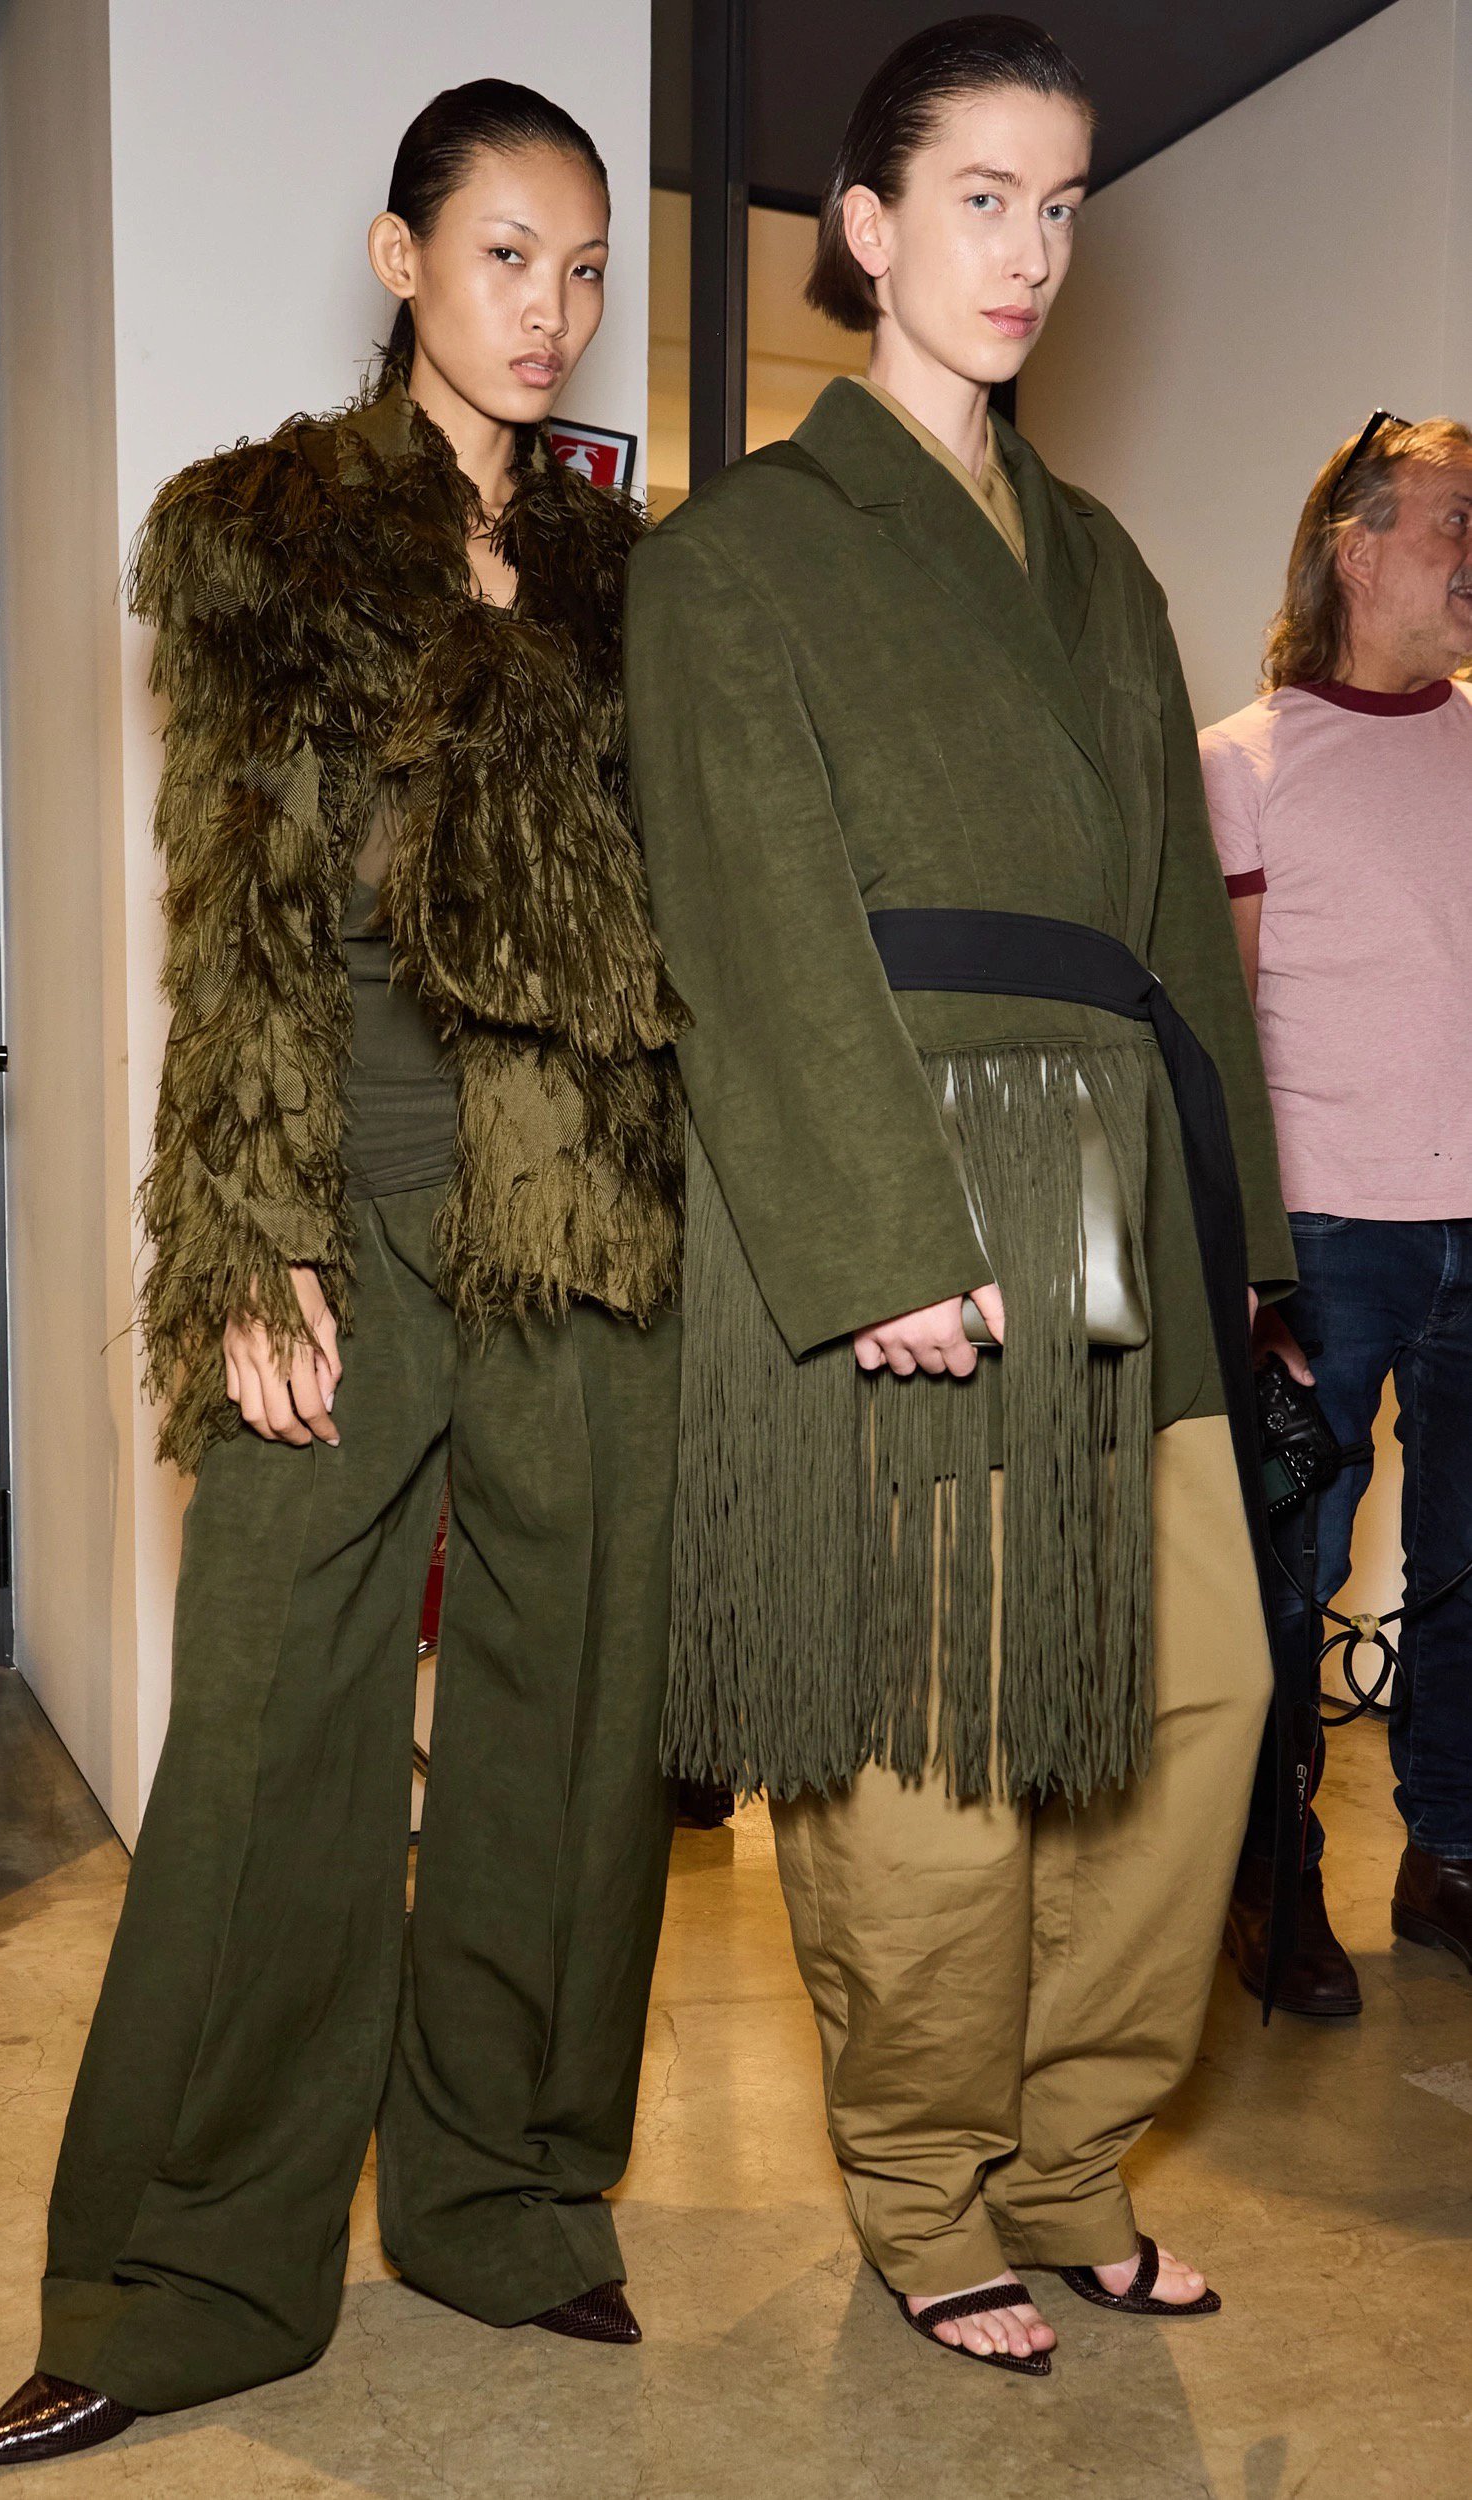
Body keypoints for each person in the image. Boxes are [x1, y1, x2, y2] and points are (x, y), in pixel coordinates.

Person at [0, 81, 685, 2471]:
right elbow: (235, 913)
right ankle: (178, 2271)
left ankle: (507, 2194)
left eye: (586, 266)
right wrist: (246, 1233)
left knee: (566, 1722)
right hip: (349, 1193)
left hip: (588, 1208)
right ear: (401, 259)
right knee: (275, 1716)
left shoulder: (629, 577)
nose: (552, 308)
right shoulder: (260, 533)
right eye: (506, 254)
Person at [625, 16, 1294, 2377]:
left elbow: (1178, 926)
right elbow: (746, 917)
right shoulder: (732, 557)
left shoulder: (1097, 562)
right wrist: (877, 1240)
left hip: (1118, 1190)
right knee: (935, 1742)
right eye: (983, 197)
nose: (1031, 251)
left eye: (1065, 204)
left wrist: (1248, 1237)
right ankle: (927, 2188)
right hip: (901, 1181)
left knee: (1197, 1691)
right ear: (868, 224)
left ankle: (1073, 2153)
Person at [1205, 413, 1472, 2017]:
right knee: (1287, 1569)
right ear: (1358, 550)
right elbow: (1220, 1031)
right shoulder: (1243, 760)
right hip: (1323, 1238)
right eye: (1456, 519)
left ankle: (1449, 1858)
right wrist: (1245, 1264)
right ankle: (1272, 1875)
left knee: (1471, 1564)